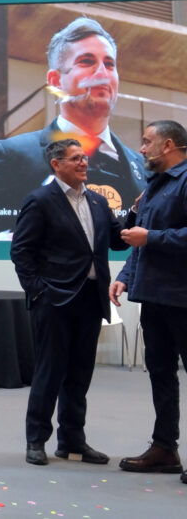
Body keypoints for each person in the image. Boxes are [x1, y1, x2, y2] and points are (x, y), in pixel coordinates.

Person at [0, 16, 147, 240]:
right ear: (55, 81)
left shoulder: (145, 168)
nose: (102, 73)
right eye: (87, 61)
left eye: (109, 64)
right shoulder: (10, 156)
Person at [10, 139, 128, 466]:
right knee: (50, 372)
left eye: (84, 157)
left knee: (80, 374)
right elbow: (21, 252)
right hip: (54, 300)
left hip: (91, 298)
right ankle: (36, 440)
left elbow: (118, 241)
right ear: (56, 164)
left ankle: (72, 441)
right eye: (75, 158)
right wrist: (38, 291)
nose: (83, 163)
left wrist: (134, 214)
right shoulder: (40, 200)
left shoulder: (97, 201)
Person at [110, 120, 187, 480]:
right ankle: (165, 448)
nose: (141, 149)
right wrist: (125, 276)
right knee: (160, 373)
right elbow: (140, 239)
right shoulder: (155, 185)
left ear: (168, 144)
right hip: (155, 297)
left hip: (183, 297)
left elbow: (149, 237)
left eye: (146, 141)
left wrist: (152, 237)